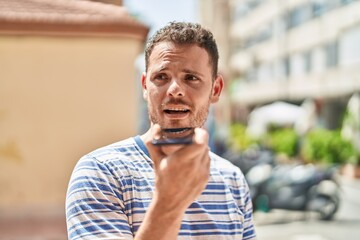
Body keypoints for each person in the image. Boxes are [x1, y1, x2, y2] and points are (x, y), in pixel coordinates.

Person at [66, 21, 256, 240]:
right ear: (145, 86)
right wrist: (168, 202)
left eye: (191, 78)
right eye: (161, 77)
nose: (174, 90)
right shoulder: (100, 172)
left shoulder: (232, 179)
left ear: (215, 89)